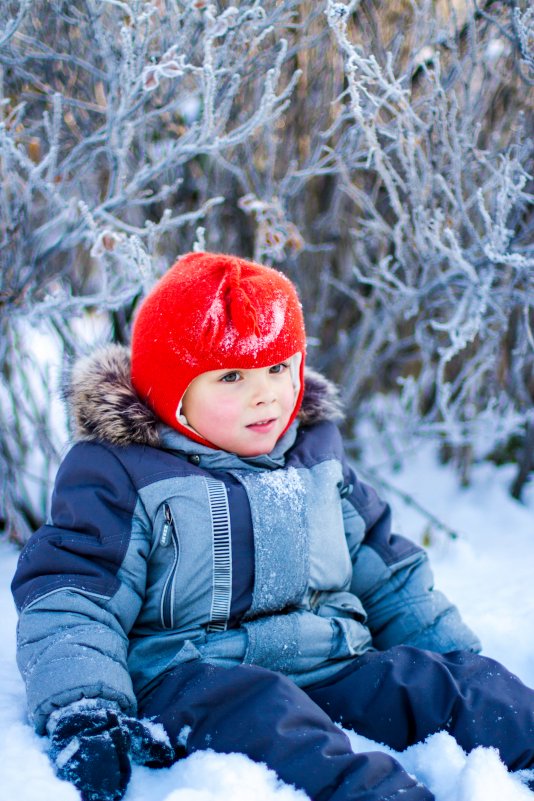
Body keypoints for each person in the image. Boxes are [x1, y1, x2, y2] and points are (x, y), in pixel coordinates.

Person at [11, 252, 534, 801]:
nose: (265, 394)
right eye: (232, 376)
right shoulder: (122, 474)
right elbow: (73, 596)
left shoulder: (316, 457)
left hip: (333, 664)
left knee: (460, 688)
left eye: (278, 368)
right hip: (200, 682)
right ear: (172, 391)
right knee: (278, 723)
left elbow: (387, 574)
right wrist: (85, 708)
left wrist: (456, 658)